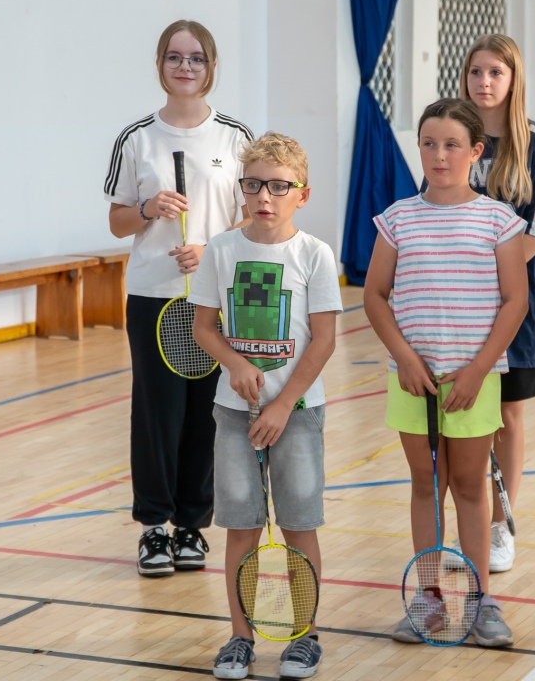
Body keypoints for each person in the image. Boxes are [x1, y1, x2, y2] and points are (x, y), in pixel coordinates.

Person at [364, 98, 529, 647]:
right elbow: (375, 296)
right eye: (429, 144)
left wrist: (479, 371)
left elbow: (515, 303)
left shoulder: (498, 220)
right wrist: (406, 360)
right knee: (426, 485)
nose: (439, 155)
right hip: (413, 382)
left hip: (474, 382)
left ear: (476, 152)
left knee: (469, 486)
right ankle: (429, 599)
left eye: (452, 144)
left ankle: (481, 602)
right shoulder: (397, 219)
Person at [190, 132, 342, 679]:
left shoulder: (314, 255)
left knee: (300, 526)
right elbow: (204, 326)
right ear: (241, 188)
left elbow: (323, 340)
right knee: (242, 529)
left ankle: (304, 636)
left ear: (302, 193)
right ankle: (239, 637)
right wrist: (234, 363)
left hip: (297, 416)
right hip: (234, 415)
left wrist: (284, 405)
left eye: (279, 186)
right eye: (254, 184)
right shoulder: (222, 250)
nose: (265, 196)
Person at [104, 19, 252, 577]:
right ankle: (153, 527)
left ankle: (193, 523)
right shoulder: (136, 137)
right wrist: (148, 210)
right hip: (153, 295)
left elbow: (252, 214)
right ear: (160, 65)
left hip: (215, 295)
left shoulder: (236, 136)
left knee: (207, 414)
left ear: (211, 66)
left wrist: (213, 251)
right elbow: (117, 221)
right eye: (174, 57)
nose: (185, 66)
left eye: (196, 58)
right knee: (156, 412)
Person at [446, 34, 535, 573]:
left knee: (508, 415)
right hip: (453, 303)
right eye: (476, 72)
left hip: (512, 299)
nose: (485, 82)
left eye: (496, 72)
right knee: (464, 415)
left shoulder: (534, 142)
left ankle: (501, 526)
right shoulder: (451, 137)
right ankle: (468, 528)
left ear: (513, 78)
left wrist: (483, 276)